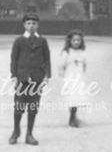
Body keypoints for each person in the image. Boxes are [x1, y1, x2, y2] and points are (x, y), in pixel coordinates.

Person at [9, 12, 51, 145]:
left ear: (37, 25)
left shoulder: (42, 41)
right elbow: (14, 59)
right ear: (24, 25)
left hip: (37, 79)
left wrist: (46, 76)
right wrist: (14, 76)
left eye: (34, 23)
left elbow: (47, 59)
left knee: (33, 107)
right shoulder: (19, 41)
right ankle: (16, 131)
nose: (31, 26)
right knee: (19, 107)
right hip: (22, 78)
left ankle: (29, 134)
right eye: (28, 23)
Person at [59, 30, 89, 128]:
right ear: (70, 41)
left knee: (77, 98)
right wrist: (63, 76)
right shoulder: (66, 52)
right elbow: (61, 65)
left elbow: (84, 64)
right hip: (69, 77)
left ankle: (74, 116)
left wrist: (82, 75)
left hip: (79, 77)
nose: (76, 42)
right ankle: (71, 118)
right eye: (74, 40)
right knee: (71, 98)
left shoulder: (82, 52)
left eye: (78, 40)